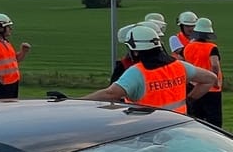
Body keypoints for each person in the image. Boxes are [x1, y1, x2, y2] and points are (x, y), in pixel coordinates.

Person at [83, 22, 217, 112]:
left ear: (135, 50)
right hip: (177, 125)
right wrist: (190, 100)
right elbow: (210, 78)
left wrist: (76, 102)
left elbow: (110, 94)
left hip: (148, 129)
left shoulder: (136, 73)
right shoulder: (179, 66)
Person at [181, 16, 224, 126]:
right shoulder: (212, 47)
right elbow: (214, 65)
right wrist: (215, 81)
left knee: (196, 118)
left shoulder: (188, 47)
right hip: (211, 89)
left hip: (194, 86)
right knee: (214, 121)